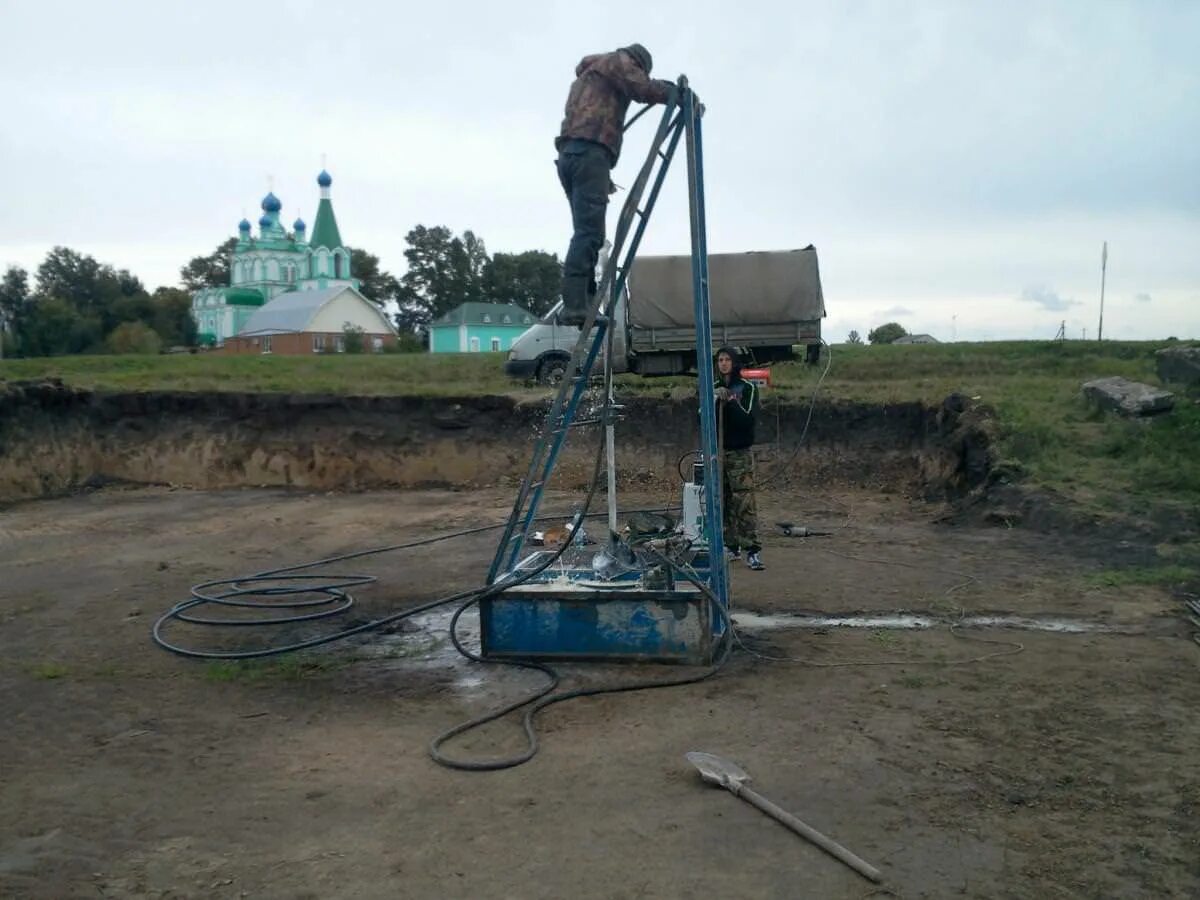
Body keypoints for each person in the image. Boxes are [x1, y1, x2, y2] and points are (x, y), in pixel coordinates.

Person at [555, 44, 677, 326]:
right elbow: (642, 88)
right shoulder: (618, 62)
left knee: (588, 233)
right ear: (637, 62)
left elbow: (584, 124)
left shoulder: (588, 77)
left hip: (572, 155)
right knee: (588, 233)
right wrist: (675, 93)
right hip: (590, 155)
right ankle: (575, 305)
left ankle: (583, 303)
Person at [715, 347, 764, 570]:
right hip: (719, 452)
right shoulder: (713, 389)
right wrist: (716, 400)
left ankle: (752, 550)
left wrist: (732, 402)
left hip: (739, 453)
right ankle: (730, 545)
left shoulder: (747, 388)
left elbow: (748, 420)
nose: (724, 363)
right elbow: (702, 418)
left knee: (743, 502)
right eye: (720, 360)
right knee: (722, 501)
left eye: (727, 360)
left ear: (734, 363)